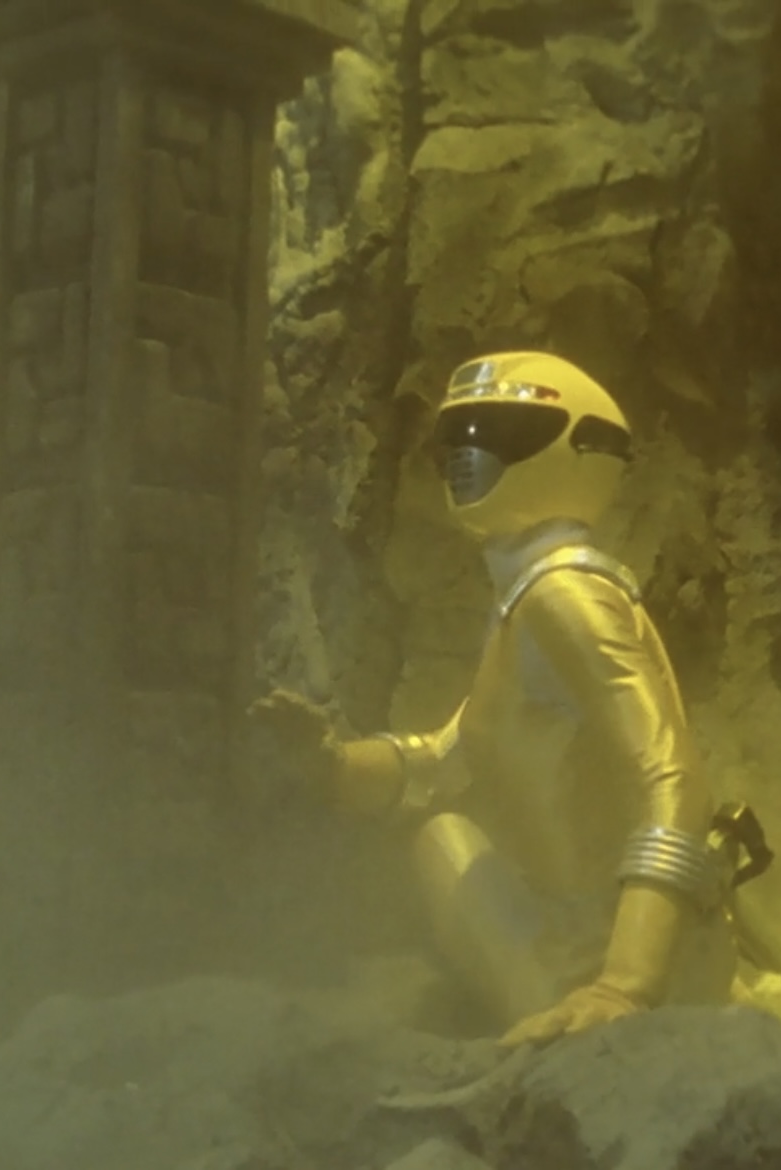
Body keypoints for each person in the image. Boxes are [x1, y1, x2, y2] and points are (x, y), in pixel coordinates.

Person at [252, 351, 735, 1048]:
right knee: (444, 837)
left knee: (444, 842)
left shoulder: (563, 594)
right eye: (457, 437)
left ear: (582, 449)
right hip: (577, 926)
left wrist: (626, 985)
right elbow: (442, 760)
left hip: (610, 950)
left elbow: (674, 782)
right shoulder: (530, 593)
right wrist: (332, 763)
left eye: (498, 435)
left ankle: (583, 1023)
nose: (466, 456)